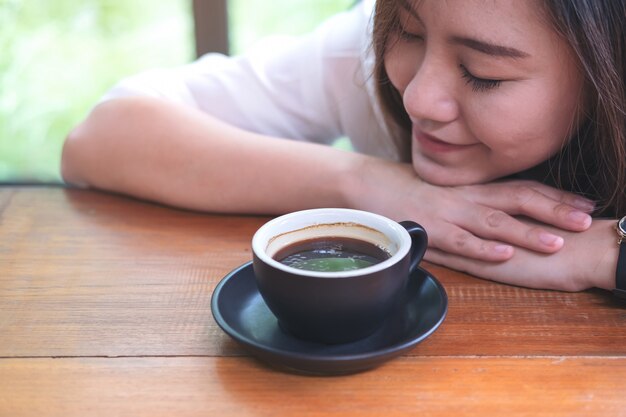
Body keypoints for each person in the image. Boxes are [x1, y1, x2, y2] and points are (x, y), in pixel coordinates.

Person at [61, 0, 626, 293]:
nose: (420, 99)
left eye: (482, 73)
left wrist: (608, 256)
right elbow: (101, 138)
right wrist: (369, 185)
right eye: (406, 31)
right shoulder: (359, 55)